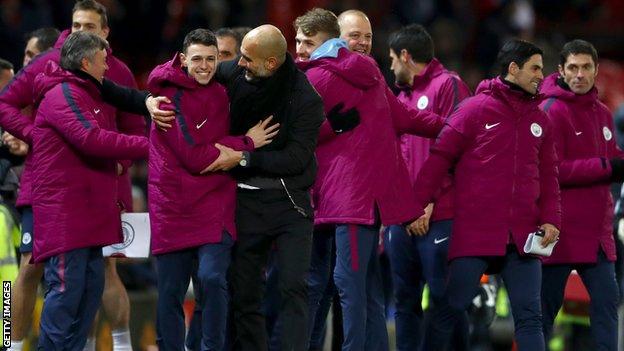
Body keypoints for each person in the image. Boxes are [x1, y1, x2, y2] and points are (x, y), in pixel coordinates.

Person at [293, 8, 445, 350]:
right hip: (357, 201)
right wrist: (450, 126)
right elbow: (402, 116)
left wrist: (453, 126)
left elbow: (294, 137)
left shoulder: (313, 79)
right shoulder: (372, 73)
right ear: (339, 38)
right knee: (361, 287)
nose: (301, 50)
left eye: (307, 42)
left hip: (339, 199)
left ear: (329, 42)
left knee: (337, 284)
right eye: (355, 35)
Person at [0, 2, 148, 350]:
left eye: (90, 26)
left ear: (105, 32)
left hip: (93, 187)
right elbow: (87, 135)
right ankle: (11, 344)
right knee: (28, 272)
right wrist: (33, 134)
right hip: (42, 189)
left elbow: (128, 120)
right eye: (76, 25)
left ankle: (108, 345)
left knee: (98, 276)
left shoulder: (112, 74)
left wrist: (125, 162)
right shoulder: (53, 79)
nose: (81, 31)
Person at [414, 39, 560, 351]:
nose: (541, 75)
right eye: (535, 68)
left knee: (530, 318)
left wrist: (550, 220)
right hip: (475, 234)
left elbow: (549, 178)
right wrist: (416, 205)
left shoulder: (540, 120)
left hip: (522, 237)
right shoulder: (473, 110)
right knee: (450, 310)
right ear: (513, 69)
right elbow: (438, 160)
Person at [146, 28, 277, 350]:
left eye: (210, 59)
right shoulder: (166, 100)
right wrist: (245, 143)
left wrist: (226, 152)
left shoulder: (223, 92)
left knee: (213, 278)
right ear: (182, 60)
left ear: (219, 60)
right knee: (171, 293)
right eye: (197, 60)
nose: (204, 66)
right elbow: (194, 158)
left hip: (215, 203)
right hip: (173, 206)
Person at [386, 23, 472, 350]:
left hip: (442, 213)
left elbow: (460, 148)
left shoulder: (449, 86)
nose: (391, 66)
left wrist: (430, 200)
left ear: (406, 56)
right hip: (403, 218)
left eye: (393, 59)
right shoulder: (399, 97)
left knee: (444, 298)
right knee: (405, 301)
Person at [539, 39, 622, 351]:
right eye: (572, 67)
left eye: (586, 67)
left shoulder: (603, 113)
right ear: (561, 70)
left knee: (606, 309)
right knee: (544, 314)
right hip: (559, 232)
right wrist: (606, 166)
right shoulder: (550, 110)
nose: (580, 74)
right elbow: (551, 170)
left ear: (596, 70)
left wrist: (616, 164)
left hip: (598, 235)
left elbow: (613, 161)